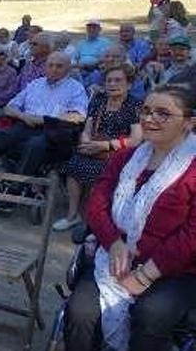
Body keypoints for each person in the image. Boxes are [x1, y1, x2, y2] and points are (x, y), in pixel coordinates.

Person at [64, 85, 196, 351]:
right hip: (114, 255)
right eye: (146, 110)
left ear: (189, 122)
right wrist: (114, 242)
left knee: (150, 315)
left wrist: (146, 273)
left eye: (163, 113)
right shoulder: (125, 158)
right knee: (80, 310)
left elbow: (192, 235)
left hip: (172, 269)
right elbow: (98, 203)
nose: (150, 118)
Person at [0, 52, 88, 209]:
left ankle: (14, 191)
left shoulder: (75, 88)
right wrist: (23, 116)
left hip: (53, 133)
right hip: (24, 125)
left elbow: (78, 116)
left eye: (59, 66)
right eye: (50, 65)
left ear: (68, 69)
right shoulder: (36, 84)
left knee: (36, 144)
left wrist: (43, 119)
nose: (54, 69)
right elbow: (9, 107)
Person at [54, 66, 143, 231]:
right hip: (93, 147)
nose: (112, 84)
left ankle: (93, 219)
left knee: (100, 173)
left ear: (129, 84)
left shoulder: (134, 105)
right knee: (73, 166)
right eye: (109, 80)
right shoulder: (99, 100)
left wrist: (105, 145)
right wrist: (86, 141)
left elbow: (136, 139)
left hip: (118, 152)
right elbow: (88, 127)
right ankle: (72, 215)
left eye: (118, 80)